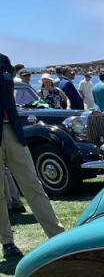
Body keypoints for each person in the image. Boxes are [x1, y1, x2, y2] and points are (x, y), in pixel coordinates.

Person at [0, 52, 65, 259]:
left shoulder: (4, 61)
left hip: (13, 130)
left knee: (33, 185)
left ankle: (57, 236)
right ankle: (7, 242)